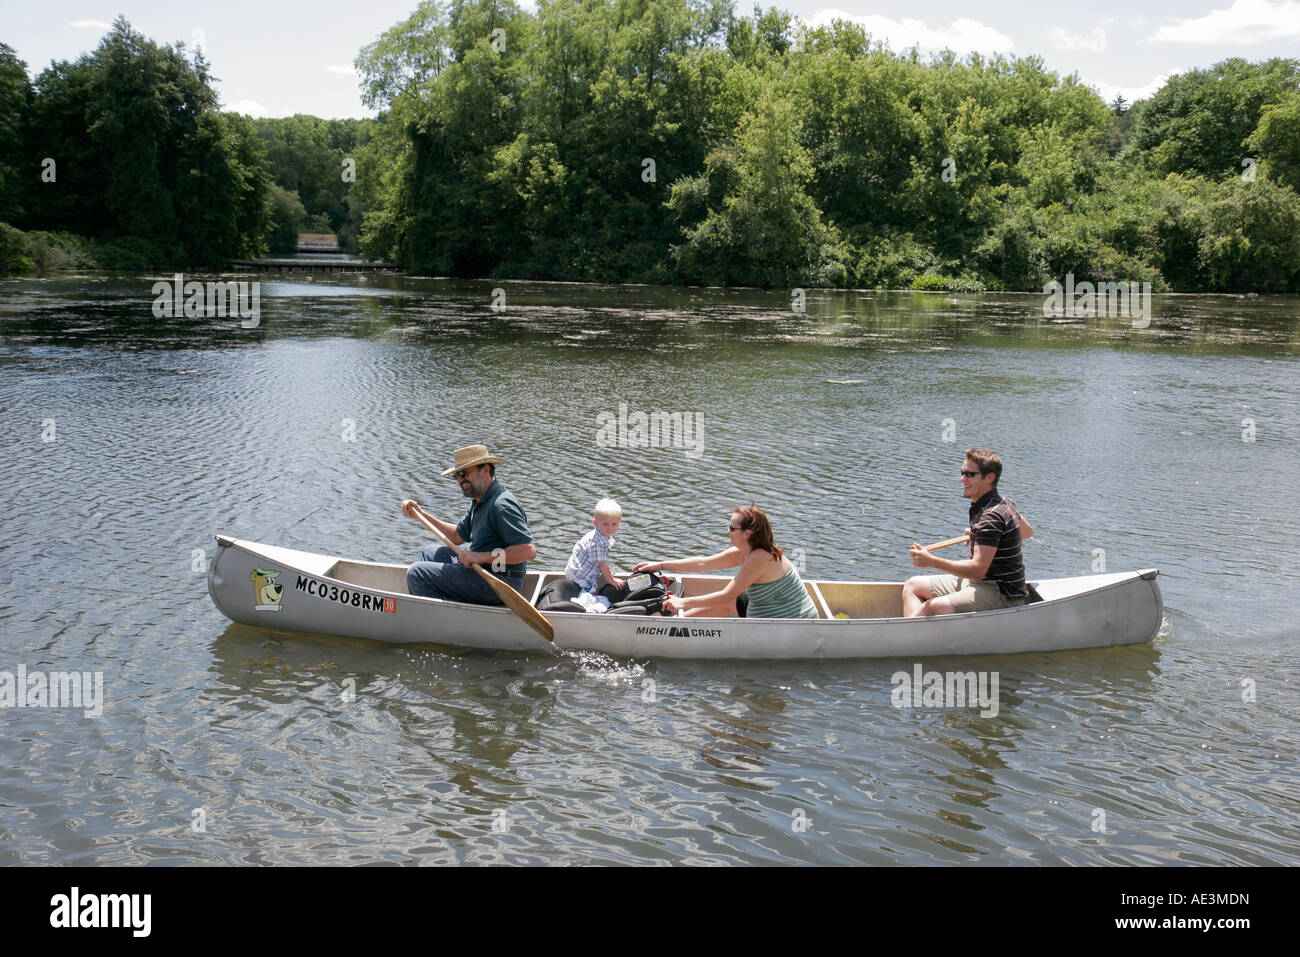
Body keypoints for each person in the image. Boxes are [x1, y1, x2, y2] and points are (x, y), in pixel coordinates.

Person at [902, 448, 1034, 617]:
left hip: (1002, 593)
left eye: (970, 474)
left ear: (990, 478)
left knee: (932, 607)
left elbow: (978, 570)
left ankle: (907, 639)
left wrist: (932, 561)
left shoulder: (990, 517)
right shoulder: (1003, 502)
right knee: (912, 585)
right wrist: (981, 538)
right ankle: (917, 636)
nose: (962, 478)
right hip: (980, 583)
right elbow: (1026, 531)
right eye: (962, 472)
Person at [400, 445, 536, 604]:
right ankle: (450, 603)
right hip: (482, 572)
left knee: (417, 573)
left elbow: (528, 551)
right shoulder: (480, 500)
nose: (459, 480)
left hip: (498, 581)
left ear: (485, 470)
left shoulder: (501, 505)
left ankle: (444, 619)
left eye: (464, 473)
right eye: (456, 475)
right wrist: (421, 515)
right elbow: (457, 536)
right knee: (429, 553)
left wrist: (480, 557)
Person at [632, 505, 818, 618]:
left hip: (788, 620)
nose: (728, 531)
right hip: (768, 607)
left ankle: (670, 629)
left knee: (728, 600)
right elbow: (702, 564)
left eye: (732, 528)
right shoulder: (744, 552)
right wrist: (660, 565)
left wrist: (682, 603)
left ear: (748, 533)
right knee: (730, 602)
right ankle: (672, 628)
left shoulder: (758, 558)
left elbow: (725, 595)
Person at [564, 498, 626, 600]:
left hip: (576, 568)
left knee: (603, 571)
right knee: (590, 594)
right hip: (580, 577)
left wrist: (605, 571)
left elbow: (600, 561)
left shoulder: (603, 535)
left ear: (619, 523)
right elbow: (602, 564)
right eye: (605, 524)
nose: (610, 528)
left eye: (614, 524)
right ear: (596, 523)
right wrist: (612, 581)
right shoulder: (596, 543)